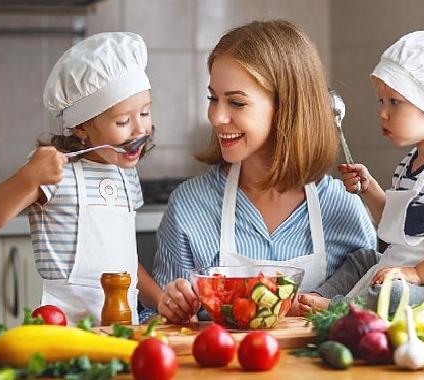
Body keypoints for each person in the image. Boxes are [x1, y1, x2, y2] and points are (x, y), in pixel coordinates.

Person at [152, 20, 377, 323]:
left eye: (236, 102)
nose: (216, 116)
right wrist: (171, 308)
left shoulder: (343, 208)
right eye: (213, 98)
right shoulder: (189, 207)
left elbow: (368, 320)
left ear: (287, 107)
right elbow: (157, 328)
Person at [0, 32, 161, 324]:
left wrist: (162, 301)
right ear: (82, 127)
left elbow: (126, 264)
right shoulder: (55, 173)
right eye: (123, 121)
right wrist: (28, 177)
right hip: (63, 331)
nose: (140, 129)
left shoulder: (126, 176)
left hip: (123, 328)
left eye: (145, 113)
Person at [298, 31, 424, 313]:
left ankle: (335, 308)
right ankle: (313, 298)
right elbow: (398, 225)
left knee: (395, 292)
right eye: (381, 102)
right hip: (401, 265)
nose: (382, 113)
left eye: (394, 102)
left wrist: (417, 274)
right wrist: (369, 189)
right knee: (363, 258)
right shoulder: (410, 164)